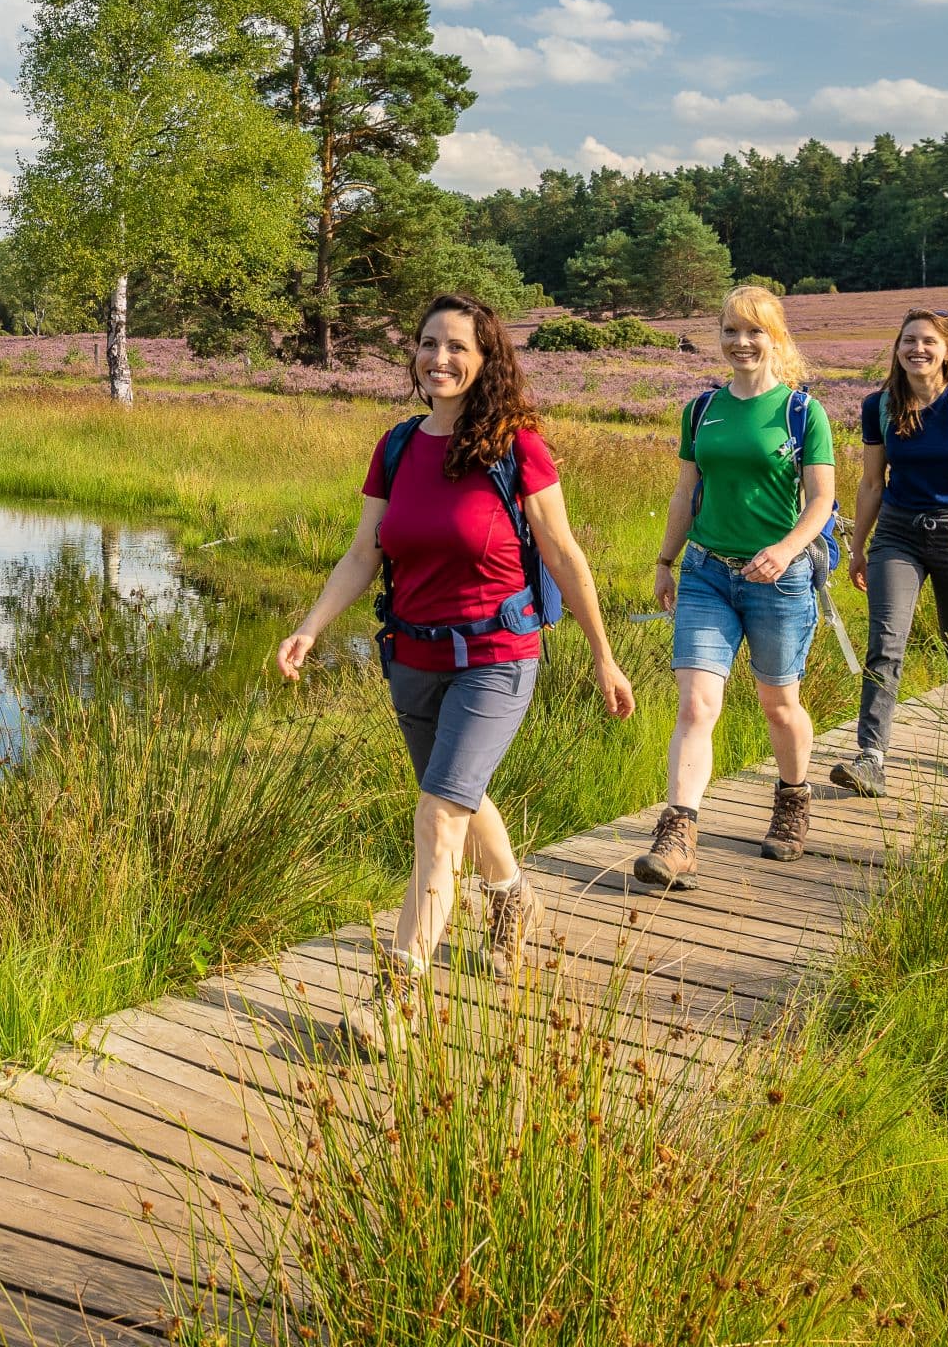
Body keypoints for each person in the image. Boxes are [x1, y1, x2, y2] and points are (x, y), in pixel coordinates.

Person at [278, 293, 634, 998]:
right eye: (429, 343)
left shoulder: (517, 446)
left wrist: (603, 654)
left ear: (485, 359)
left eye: (457, 347)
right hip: (412, 658)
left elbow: (563, 554)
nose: (440, 358)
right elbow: (363, 554)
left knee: (439, 814)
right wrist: (310, 626)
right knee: (458, 795)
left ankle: (398, 991)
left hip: (499, 655)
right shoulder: (399, 445)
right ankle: (511, 898)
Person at [634, 286, 838, 889]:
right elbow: (684, 491)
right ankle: (678, 833)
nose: (741, 343)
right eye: (730, 331)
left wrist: (783, 550)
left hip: (778, 580)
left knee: (779, 704)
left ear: (776, 337)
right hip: (706, 573)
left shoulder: (803, 412)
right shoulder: (701, 410)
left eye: (754, 331)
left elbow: (822, 499)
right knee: (696, 703)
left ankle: (793, 798)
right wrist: (665, 560)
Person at [835, 307, 948, 791]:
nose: (917, 349)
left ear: (947, 350)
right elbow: (872, 483)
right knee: (885, 643)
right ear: (896, 350)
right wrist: (859, 548)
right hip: (898, 533)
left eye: (928, 341)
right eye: (908, 340)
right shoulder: (880, 406)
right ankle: (871, 757)